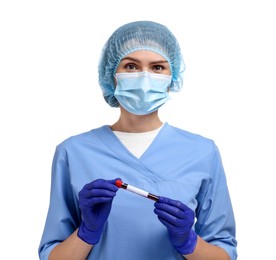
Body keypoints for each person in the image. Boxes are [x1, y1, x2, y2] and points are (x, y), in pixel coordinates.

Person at [38, 21, 237, 260]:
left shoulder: (203, 152)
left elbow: (224, 254)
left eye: (157, 67)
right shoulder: (74, 152)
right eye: (131, 66)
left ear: (171, 76)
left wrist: (189, 242)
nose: (144, 78)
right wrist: (86, 233)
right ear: (111, 75)